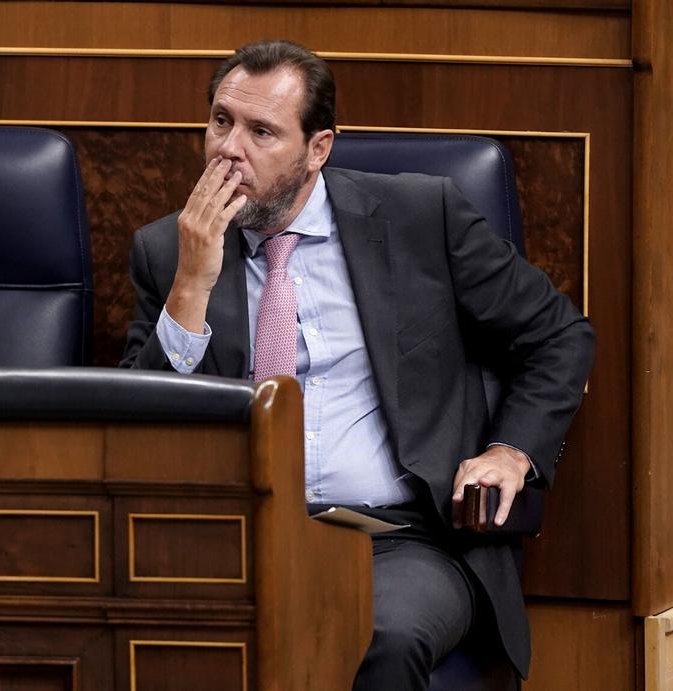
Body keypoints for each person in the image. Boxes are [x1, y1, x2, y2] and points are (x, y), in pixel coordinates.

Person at [120, 39, 595, 690]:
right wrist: (191, 289)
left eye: (261, 131)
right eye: (222, 121)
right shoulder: (166, 251)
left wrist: (512, 450)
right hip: (234, 539)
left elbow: (559, 334)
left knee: (375, 638)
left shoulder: (421, 216)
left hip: (395, 535)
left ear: (318, 148)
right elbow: (138, 429)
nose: (230, 148)